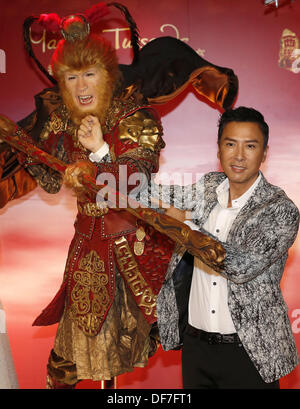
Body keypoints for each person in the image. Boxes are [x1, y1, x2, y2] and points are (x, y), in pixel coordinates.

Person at [149, 106, 299, 389]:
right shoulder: (208, 187)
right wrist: (101, 153)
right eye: (230, 144)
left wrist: (186, 227)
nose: (239, 155)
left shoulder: (280, 210)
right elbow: (153, 193)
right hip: (196, 348)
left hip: (250, 353)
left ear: (264, 153)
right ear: (218, 150)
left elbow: (240, 264)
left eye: (250, 146)